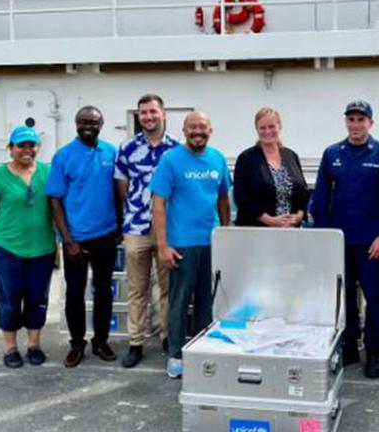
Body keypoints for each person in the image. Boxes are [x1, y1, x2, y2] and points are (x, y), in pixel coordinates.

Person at [310, 100, 379, 379]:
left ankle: (373, 351)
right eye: (351, 119)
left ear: (370, 124)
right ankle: (349, 346)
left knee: (375, 297)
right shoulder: (332, 154)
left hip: (371, 243)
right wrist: (326, 237)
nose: (355, 125)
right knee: (343, 297)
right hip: (339, 241)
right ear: (346, 122)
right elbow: (320, 199)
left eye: (360, 120)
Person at [152, 111, 232, 379]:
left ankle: (202, 352)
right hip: (182, 244)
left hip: (210, 242)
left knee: (206, 304)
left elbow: (223, 199)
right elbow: (159, 204)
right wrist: (163, 246)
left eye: (203, 128)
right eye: (192, 128)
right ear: (184, 131)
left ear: (211, 130)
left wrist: (225, 235)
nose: (198, 132)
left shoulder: (218, 158)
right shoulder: (171, 159)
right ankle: (176, 354)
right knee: (179, 301)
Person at [46, 106, 121, 368]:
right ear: (76, 124)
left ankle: (101, 341)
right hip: (75, 239)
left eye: (94, 122)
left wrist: (119, 228)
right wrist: (67, 239)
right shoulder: (63, 156)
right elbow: (54, 200)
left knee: (103, 291)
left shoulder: (111, 153)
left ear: (102, 125)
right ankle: (77, 343)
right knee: (75, 293)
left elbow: (118, 191)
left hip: (106, 235)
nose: (88, 126)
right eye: (83, 122)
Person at [0, 126, 57, 368]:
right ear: (11, 148)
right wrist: (5, 234)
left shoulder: (48, 172)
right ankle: (10, 347)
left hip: (42, 249)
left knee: (37, 297)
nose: (27, 150)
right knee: (10, 299)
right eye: (21, 145)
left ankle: (34, 344)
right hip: (7, 251)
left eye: (31, 145)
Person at [115, 94, 178, 368]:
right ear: (138, 116)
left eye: (153, 112)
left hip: (169, 229)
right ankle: (136, 342)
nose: (148, 117)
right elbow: (122, 186)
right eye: (143, 113)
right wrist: (135, 210)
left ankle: (167, 337)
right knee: (137, 289)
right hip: (136, 227)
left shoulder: (177, 149)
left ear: (163, 114)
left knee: (168, 289)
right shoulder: (127, 148)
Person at [233, 107, 309, 228]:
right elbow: (241, 197)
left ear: (280, 127)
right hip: (257, 231)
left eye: (272, 126)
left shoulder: (291, 156)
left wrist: (299, 215)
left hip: (290, 230)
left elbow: (302, 191)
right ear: (256, 129)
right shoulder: (246, 158)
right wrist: (270, 220)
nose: (267, 131)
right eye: (262, 128)